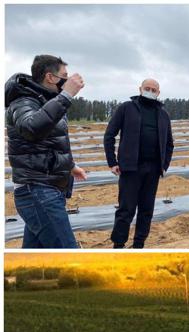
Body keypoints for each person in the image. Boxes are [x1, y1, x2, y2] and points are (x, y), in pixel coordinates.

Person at [5, 54, 88, 248]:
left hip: (45, 190)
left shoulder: (45, 101)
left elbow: (50, 141)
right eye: (64, 76)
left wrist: (70, 165)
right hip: (38, 191)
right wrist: (66, 95)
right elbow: (31, 128)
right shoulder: (23, 101)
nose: (67, 80)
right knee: (67, 255)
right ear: (50, 77)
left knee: (34, 258)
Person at [104, 79, 174, 248]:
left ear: (158, 93)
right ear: (140, 89)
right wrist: (112, 162)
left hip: (153, 169)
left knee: (146, 210)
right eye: (147, 88)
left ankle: (138, 244)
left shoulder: (163, 114)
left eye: (153, 89)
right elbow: (109, 135)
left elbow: (169, 143)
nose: (150, 91)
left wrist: (164, 165)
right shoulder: (127, 108)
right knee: (125, 209)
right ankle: (119, 245)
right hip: (130, 168)